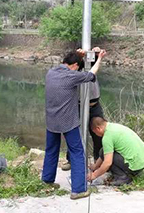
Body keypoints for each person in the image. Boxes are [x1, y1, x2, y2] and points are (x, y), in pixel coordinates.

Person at [41, 48, 107, 200]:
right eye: (78, 66)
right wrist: (99, 59)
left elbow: (71, 65)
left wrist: (78, 56)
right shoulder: (70, 76)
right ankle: (78, 190)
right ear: (75, 65)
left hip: (51, 121)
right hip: (68, 122)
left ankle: (47, 181)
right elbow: (92, 74)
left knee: (51, 150)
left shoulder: (51, 73)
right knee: (78, 152)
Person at [62, 47, 104, 171]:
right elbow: (68, 66)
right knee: (74, 133)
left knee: (99, 134)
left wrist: (97, 54)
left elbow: (95, 67)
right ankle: (71, 160)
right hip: (78, 105)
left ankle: (98, 160)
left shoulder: (92, 66)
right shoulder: (73, 71)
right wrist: (78, 56)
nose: (85, 56)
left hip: (94, 105)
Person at [87, 117, 144, 186]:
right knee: (103, 151)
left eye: (95, 132)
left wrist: (94, 175)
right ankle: (131, 173)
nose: (96, 135)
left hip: (136, 165)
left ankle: (123, 178)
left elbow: (107, 163)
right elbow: (104, 152)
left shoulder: (107, 137)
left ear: (98, 129)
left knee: (108, 158)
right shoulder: (113, 127)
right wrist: (95, 166)